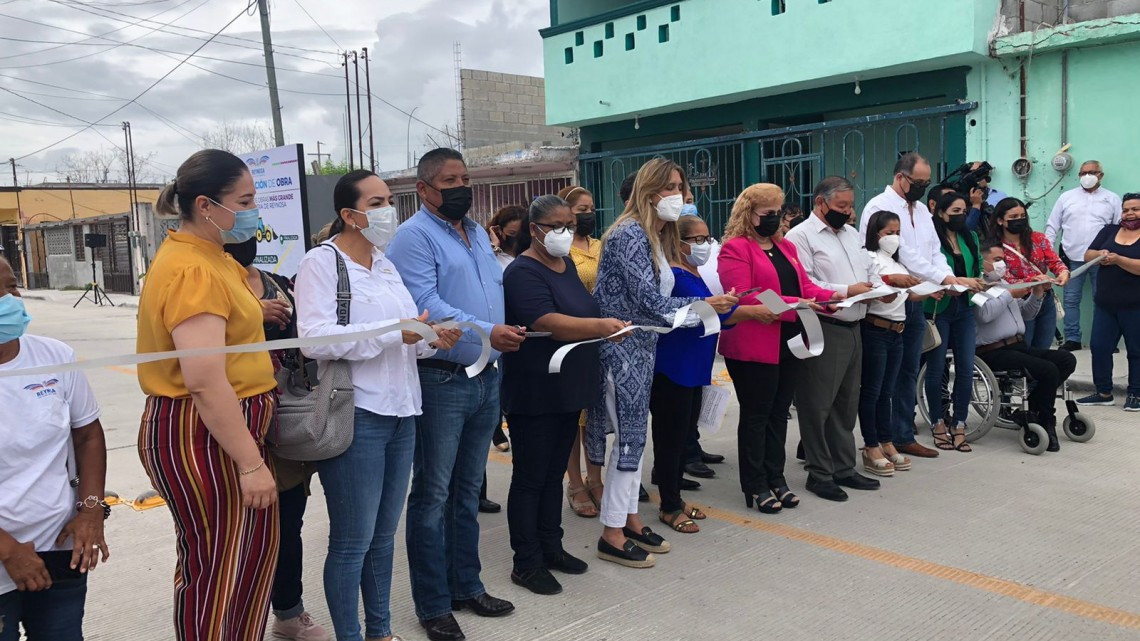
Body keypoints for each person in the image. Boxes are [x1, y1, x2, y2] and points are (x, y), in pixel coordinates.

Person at [294, 170, 461, 641]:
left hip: (402, 411)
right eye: (376, 203)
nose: (389, 210)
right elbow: (314, 340)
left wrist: (430, 337)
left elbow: (406, 338)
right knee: (352, 542)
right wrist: (394, 334)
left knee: (383, 538)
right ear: (349, 215)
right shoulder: (322, 262)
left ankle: (380, 632)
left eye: (389, 199)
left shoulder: (385, 265)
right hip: (357, 413)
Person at [136, 149, 280, 641]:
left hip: (224, 430)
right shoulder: (192, 268)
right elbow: (203, 378)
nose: (254, 210)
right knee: (218, 569)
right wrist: (250, 463)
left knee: (246, 564)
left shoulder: (211, 257)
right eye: (245, 201)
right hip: (203, 433)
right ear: (205, 205)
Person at [385, 148, 524, 641]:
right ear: (424, 189)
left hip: (485, 374)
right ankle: (433, 604)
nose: (461, 187)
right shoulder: (413, 237)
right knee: (432, 494)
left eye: (465, 178)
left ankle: (467, 585)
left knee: (468, 491)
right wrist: (487, 330)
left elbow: (493, 291)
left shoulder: (478, 234)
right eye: (449, 181)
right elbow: (425, 303)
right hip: (442, 378)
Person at [587, 158, 736, 568]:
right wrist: (704, 305)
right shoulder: (629, 234)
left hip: (643, 349)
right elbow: (648, 302)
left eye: (680, 187)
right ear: (650, 191)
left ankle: (629, 520)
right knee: (629, 440)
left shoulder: (651, 235)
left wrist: (704, 304)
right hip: (622, 351)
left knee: (635, 440)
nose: (679, 195)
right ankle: (611, 533)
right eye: (670, 187)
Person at [501, 195, 626, 596]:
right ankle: (526, 562)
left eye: (569, 225)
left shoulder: (566, 264)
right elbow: (547, 321)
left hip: (569, 386)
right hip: (536, 389)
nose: (565, 232)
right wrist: (600, 327)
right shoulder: (522, 271)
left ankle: (551, 547)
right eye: (556, 226)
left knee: (553, 472)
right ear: (533, 229)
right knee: (531, 477)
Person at [222, 237, 330, 641]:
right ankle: (233, 616)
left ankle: (288, 612)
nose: (244, 236)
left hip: (282, 419)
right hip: (230, 422)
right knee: (236, 529)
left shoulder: (277, 282)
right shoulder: (212, 283)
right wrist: (252, 313)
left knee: (287, 522)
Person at [0, 257, 109, 639]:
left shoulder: (54, 356)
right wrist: (8, 550)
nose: (10, 299)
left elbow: (88, 435)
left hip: (59, 545)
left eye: (12, 286)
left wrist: (90, 512)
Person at [718, 183, 835, 510]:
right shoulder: (735, 249)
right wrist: (795, 304)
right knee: (757, 416)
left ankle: (776, 477)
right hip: (754, 344)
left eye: (777, 212)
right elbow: (746, 295)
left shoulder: (785, 247)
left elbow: (806, 287)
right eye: (767, 213)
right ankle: (755, 484)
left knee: (780, 413)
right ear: (749, 214)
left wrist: (836, 297)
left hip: (789, 339)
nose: (775, 218)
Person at [861, 153, 975, 460]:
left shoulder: (923, 210)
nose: (923, 187)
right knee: (884, 378)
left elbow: (935, 251)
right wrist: (943, 278)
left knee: (909, 369)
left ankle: (902, 435)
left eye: (927, 182)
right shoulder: (878, 206)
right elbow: (904, 254)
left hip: (918, 297)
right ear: (900, 177)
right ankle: (879, 438)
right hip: (891, 300)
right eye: (918, 182)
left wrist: (945, 278)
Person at [786, 177, 882, 499]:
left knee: (846, 403)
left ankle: (844, 467)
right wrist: (847, 291)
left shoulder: (851, 234)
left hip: (854, 326)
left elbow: (868, 269)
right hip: (823, 325)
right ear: (820, 202)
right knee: (817, 404)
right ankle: (819, 472)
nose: (848, 212)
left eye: (850, 205)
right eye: (841, 206)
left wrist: (877, 288)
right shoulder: (800, 236)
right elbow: (804, 282)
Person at [649, 214, 737, 532]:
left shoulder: (692, 271)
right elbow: (687, 313)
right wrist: (736, 308)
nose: (704, 245)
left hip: (695, 366)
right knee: (670, 438)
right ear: (678, 240)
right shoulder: (672, 274)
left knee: (682, 435)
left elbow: (712, 313)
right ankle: (669, 505)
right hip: (674, 366)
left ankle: (674, 495)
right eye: (696, 239)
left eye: (706, 238)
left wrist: (728, 306)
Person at [860, 212, 942, 476]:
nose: (894, 238)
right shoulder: (869, 258)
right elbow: (870, 287)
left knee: (887, 391)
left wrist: (929, 290)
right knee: (872, 391)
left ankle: (886, 441)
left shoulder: (897, 262)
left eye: (897, 233)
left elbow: (908, 295)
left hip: (897, 331)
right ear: (876, 233)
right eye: (888, 233)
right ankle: (870, 445)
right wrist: (890, 281)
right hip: (876, 329)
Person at [974, 242, 1076, 450]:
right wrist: (1008, 294)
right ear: (982, 262)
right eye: (997, 260)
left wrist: (1036, 294)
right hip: (992, 350)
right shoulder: (976, 286)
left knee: (1066, 359)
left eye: (1003, 259)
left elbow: (1026, 314)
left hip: (1017, 345)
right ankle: (1046, 419)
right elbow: (984, 315)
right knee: (1047, 370)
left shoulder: (1004, 283)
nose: (1002, 264)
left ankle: (1031, 409)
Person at [556, 185, 604, 518]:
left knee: (595, 417)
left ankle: (595, 478)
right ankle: (574, 482)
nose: (588, 215)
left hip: (603, 338)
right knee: (574, 418)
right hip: (573, 339)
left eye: (591, 209)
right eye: (581, 209)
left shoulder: (600, 245)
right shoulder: (561, 249)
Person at [924, 192, 985, 453]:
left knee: (966, 367)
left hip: (965, 307)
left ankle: (959, 424)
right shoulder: (931, 238)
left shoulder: (970, 237)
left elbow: (977, 265)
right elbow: (925, 269)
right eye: (955, 211)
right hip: (939, 308)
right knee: (936, 368)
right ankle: (938, 422)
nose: (961, 216)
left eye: (964, 211)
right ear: (941, 213)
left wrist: (979, 282)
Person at [1045, 161, 1123, 351]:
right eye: (1083, 173)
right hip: (1072, 257)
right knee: (1071, 299)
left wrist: (1115, 254)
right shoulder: (1066, 197)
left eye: (1092, 172)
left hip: (1102, 259)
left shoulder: (1112, 199)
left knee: (1102, 299)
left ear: (1101, 175)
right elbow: (1053, 226)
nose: (1087, 176)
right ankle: (1073, 339)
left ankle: (1103, 340)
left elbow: (1119, 228)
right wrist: (1047, 253)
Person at [1079, 192, 1140, 411]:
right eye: (1126, 210)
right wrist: (1100, 254)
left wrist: (1118, 259)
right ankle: (1103, 392)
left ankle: (1136, 394)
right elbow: (1088, 255)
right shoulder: (1109, 230)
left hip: (1135, 306)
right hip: (1106, 304)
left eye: (1135, 209)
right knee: (1100, 347)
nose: (1130, 213)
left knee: (1136, 351)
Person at [989, 198, 1070, 350]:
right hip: (1019, 302)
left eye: (1022, 216)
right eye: (1013, 217)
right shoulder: (994, 246)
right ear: (1000, 221)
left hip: (1045, 299)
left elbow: (1054, 260)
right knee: (1025, 347)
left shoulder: (1038, 238)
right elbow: (1002, 276)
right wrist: (1034, 280)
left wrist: (1063, 272)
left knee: (1044, 348)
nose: (1019, 220)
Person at [488, 205, 528, 271]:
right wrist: (495, 246)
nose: (517, 237)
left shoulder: (532, 253)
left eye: (521, 233)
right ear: (500, 230)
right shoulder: (494, 254)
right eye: (512, 233)